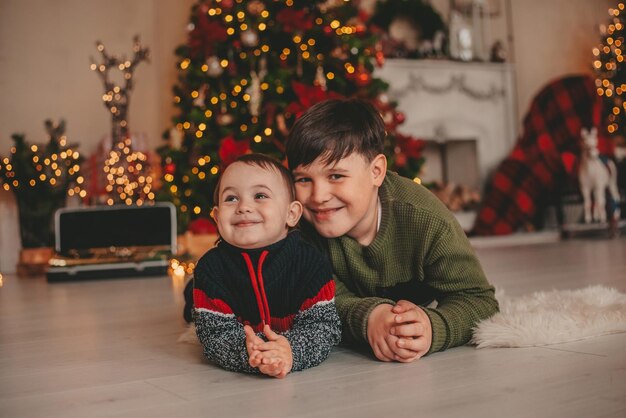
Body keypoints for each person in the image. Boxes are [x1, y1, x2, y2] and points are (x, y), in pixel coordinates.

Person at [286, 98, 499, 363]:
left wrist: (434, 328)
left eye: (336, 176)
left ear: (376, 172)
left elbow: (479, 300)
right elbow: (314, 300)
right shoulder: (299, 227)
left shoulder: (426, 220)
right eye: (304, 179)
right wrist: (370, 317)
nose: (318, 196)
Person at [189, 153, 341, 378]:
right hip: (236, 329)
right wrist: (253, 353)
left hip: (290, 340)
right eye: (231, 198)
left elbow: (323, 326)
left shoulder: (310, 262)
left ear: (291, 214)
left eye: (260, 195)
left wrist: (290, 351)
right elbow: (214, 335)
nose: (243, 207)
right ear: (217, 216)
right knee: (192, 307)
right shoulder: (210, 269)